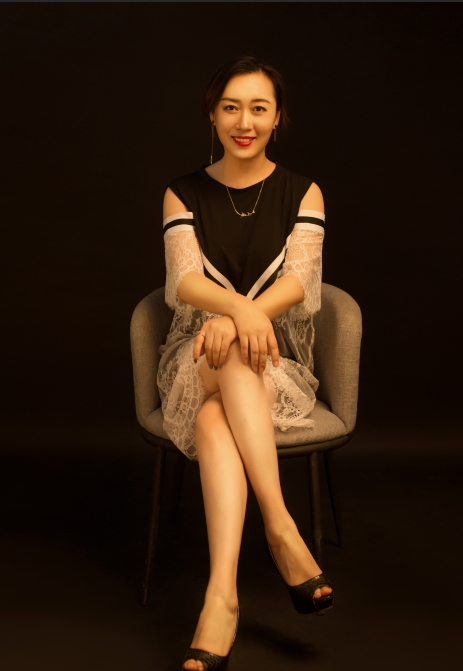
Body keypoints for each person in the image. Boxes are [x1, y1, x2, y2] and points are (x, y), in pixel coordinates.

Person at [158, 55, 334, 671]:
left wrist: (240, 320)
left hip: (271, 363)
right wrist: (236, 311)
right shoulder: (182, 191)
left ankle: (221, 599)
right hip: (194, 355)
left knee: (215, 419)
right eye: (231, 107)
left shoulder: (302, 191)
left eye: (259, 108)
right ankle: (281, 527)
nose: (244, 122)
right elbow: (183, 281)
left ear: (277, 118)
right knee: (229, 347)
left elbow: (300, 281)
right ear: (212, 114)